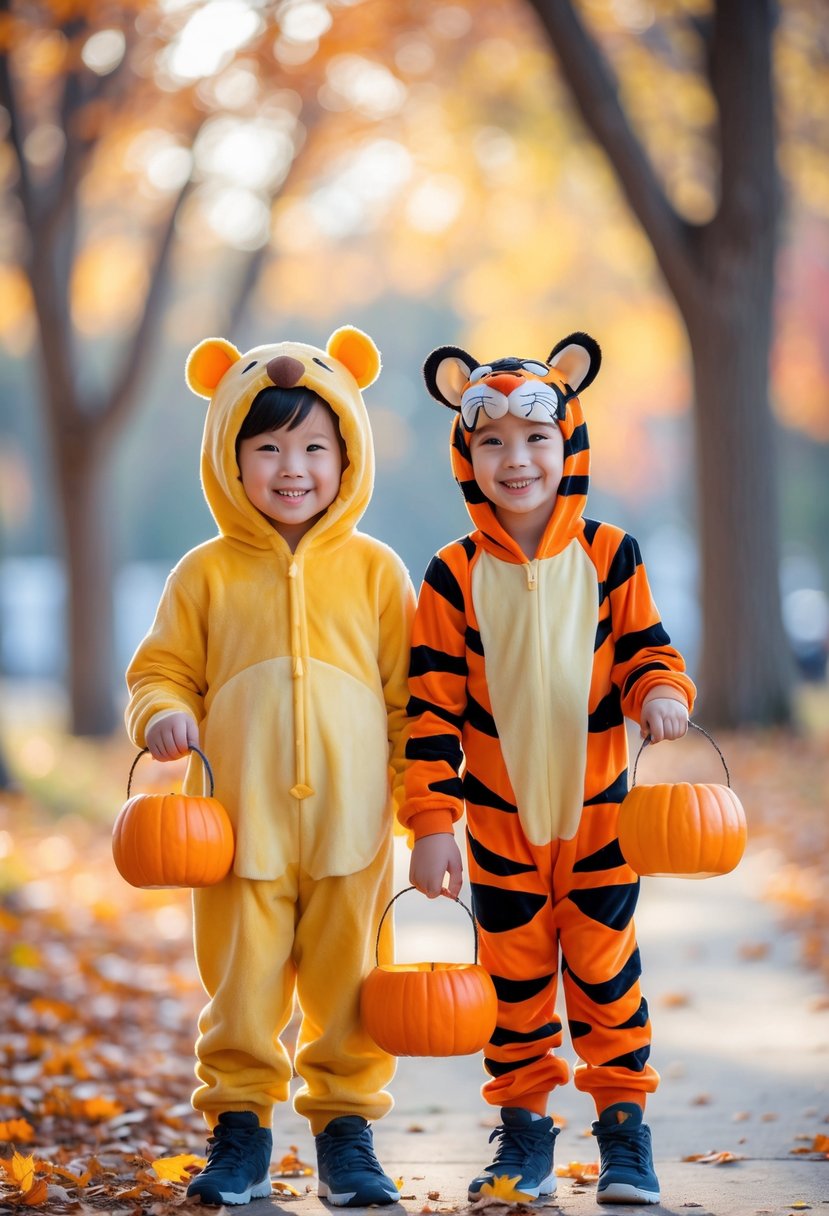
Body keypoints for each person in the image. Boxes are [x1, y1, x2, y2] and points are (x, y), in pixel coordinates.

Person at [400, 333, 695, 1207]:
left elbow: (648, 651)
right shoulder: (452, 576)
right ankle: (523, 1132)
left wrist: (659, 693)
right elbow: (431, 712)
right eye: (489, 441)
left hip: (600, 818)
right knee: (515, 986)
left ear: (568, 444)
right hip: (498, 827)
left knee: (607, 978)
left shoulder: (611, 555)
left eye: (533, 438)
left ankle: (623, 1134)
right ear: (465, 455)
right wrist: (429, 823)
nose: (514, 459)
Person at [125, 326, 414, 1208]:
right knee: (241, 989)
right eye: (268, 447)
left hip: (352, 830)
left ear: (348, 454)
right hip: (234, 831)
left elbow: (415, 702)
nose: (293, 468)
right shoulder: (204, 575)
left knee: (352, 989)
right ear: (230, 457)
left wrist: (421, 811)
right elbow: (160, 669)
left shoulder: (374, 573)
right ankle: (239, 1130)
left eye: (315, 447)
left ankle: (346, 1134)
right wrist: (166, 714)